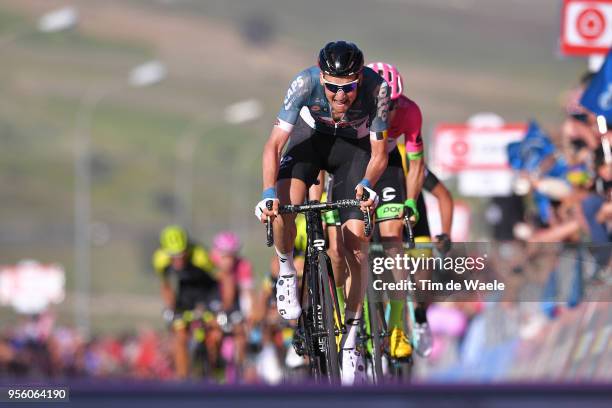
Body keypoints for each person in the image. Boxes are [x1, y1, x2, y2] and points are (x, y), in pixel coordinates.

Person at [254, 41, 390, 384]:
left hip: (352, 153)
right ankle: (287, 271)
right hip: (310, 142)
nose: (340, 96)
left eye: (348, 88)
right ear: (321, 78)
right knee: (285, 207)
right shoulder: (304, 83)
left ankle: (352, 341)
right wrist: (269, 192)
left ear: (360, 78)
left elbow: (378, 153)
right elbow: (273, 145)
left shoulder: (378, 90)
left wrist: (369, 183)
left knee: (355, 246)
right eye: (332, 87)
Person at [364, 62, 426, 359]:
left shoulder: (411, 113)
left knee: (393, 240)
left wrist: (411, 202)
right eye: (385, 104)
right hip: (354, 164)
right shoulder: (354, 108)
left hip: (387, 168)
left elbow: (416, 164)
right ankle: (356, 321)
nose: (390, 111)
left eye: (395, 104)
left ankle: (398, 324)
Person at [152, 225, 218, 379]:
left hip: (206, 294)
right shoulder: (160, 260)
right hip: (184, 297)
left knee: (213, 336)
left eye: (181, 255)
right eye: (173, 256)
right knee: (180, 336)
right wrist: (171, 308)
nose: (178, 260)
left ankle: (214, 370)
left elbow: (216, 280)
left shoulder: (200, 256)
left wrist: (212, 306)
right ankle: (182, 378)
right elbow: (166, 286)